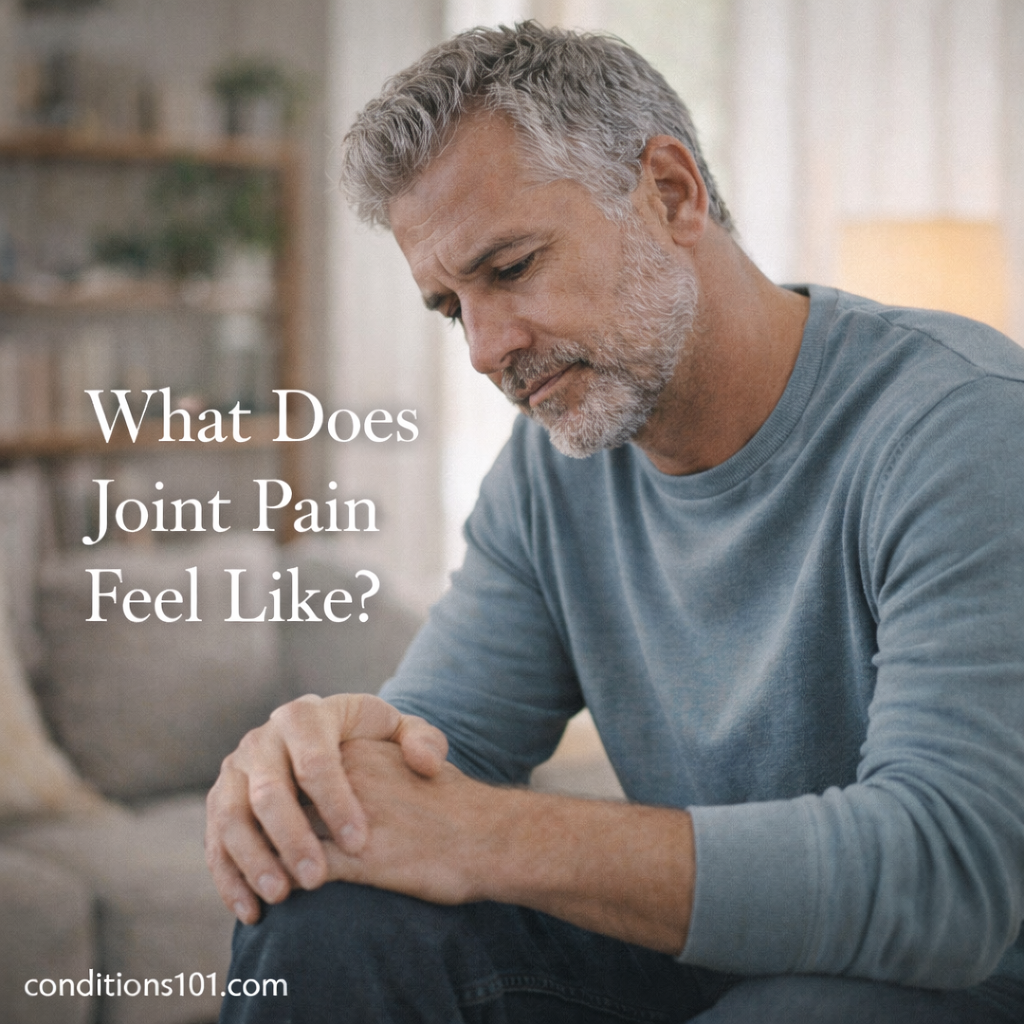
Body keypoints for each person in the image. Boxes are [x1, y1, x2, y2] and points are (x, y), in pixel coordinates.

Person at [208, 22, 1024, 1023]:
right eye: (449, 307)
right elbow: (432, 756)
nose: (483, 348)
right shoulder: (554, 473)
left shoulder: (962, 424)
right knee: (321, 918)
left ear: (670, 193)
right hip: (712, 951)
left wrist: (488, 835)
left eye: (509, 268)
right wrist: (315, 777)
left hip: (957, 973)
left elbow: (948, 878)